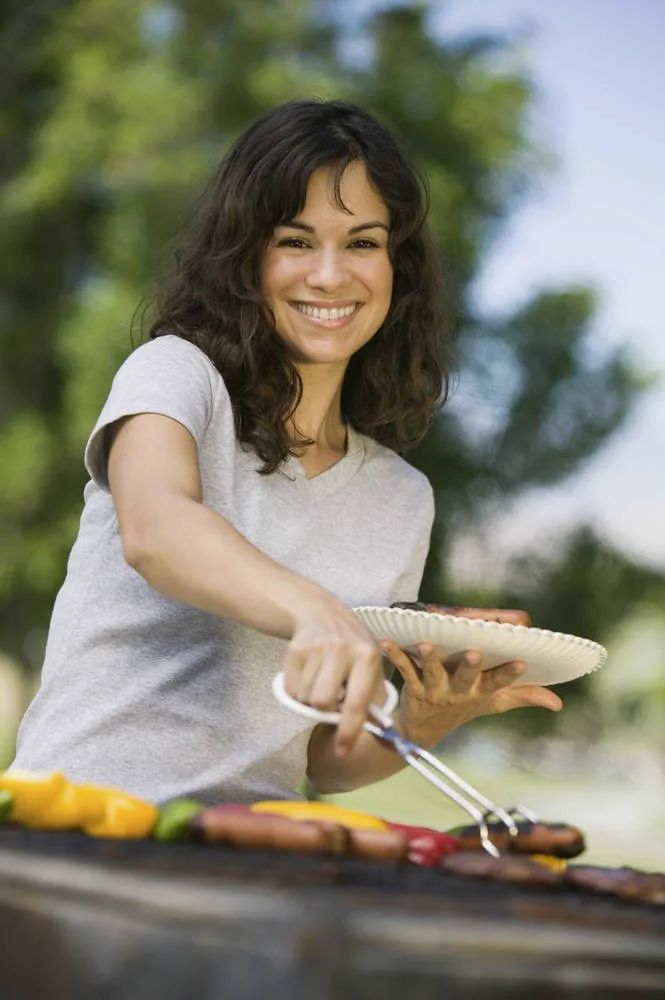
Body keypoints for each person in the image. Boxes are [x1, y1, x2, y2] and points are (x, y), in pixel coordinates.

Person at [11, 100, 561, 805]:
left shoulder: (399, 497)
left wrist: (423, 719)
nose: (330, 276)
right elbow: (155, 528)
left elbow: (323, 758)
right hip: (76, 824)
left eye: (361, 243)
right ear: (246, 256)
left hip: (251, 854)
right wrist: (315, 611)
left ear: (398, 268)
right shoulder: (175, 376)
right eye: (295, 242)